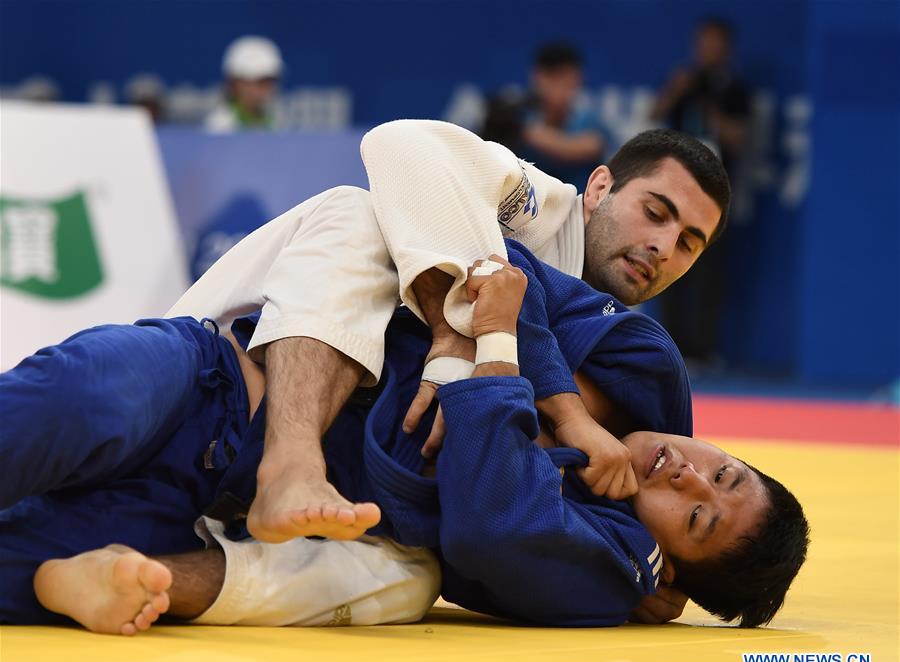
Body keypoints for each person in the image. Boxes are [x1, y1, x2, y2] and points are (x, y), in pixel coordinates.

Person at [1, 244, 809, 634]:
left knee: (26, 562)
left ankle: (72, 581)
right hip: (206, 376)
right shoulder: (647, 370)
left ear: (669, 582)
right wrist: (560, 402)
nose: (690, 476)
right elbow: (502, 263)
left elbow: (497, 522)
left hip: (217, 500)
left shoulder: (613, 561)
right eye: (725, 474)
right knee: (76, 399)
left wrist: (492, 346)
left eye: (698, 517)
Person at [167, 120, 731, 546]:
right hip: (210, 363)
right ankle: (288, 462)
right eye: (655, 212)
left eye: (688, 243)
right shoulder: (541, 211)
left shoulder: (623, 345)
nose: (663, 247)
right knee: (355, 212)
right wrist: (455, 324)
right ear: (600, 188)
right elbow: (398, 141)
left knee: (404, 582)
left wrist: (659, 563)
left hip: (323, 485)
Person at [651, 17, 751, 367]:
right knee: (667, 262)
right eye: (702, 42)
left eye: (715, 43)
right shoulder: (683, 81)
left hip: (714, 191)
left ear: (726, 48)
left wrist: (711, 109)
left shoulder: (735, 88)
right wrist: (678, 90)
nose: (707, 49)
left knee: (709, 271)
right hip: (674, 188)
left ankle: (703, 351)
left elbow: (738, 136)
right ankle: (671, 348)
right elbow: (655, 114)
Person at [518, 42, 609, 188]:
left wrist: (526, 132)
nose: (557, 84)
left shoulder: (589, 120)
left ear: (577, 78)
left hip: (579, 205)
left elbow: (586, 147)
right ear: (536, 77)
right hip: (528, 206)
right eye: (550, 76)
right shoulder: (521, 114)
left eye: (564, 76)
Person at [205, 36, 283, 132]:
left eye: (270, 81)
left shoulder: (278, 122)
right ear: (236, 83)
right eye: (260, 82)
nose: (266, 89)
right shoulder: (218, 127)